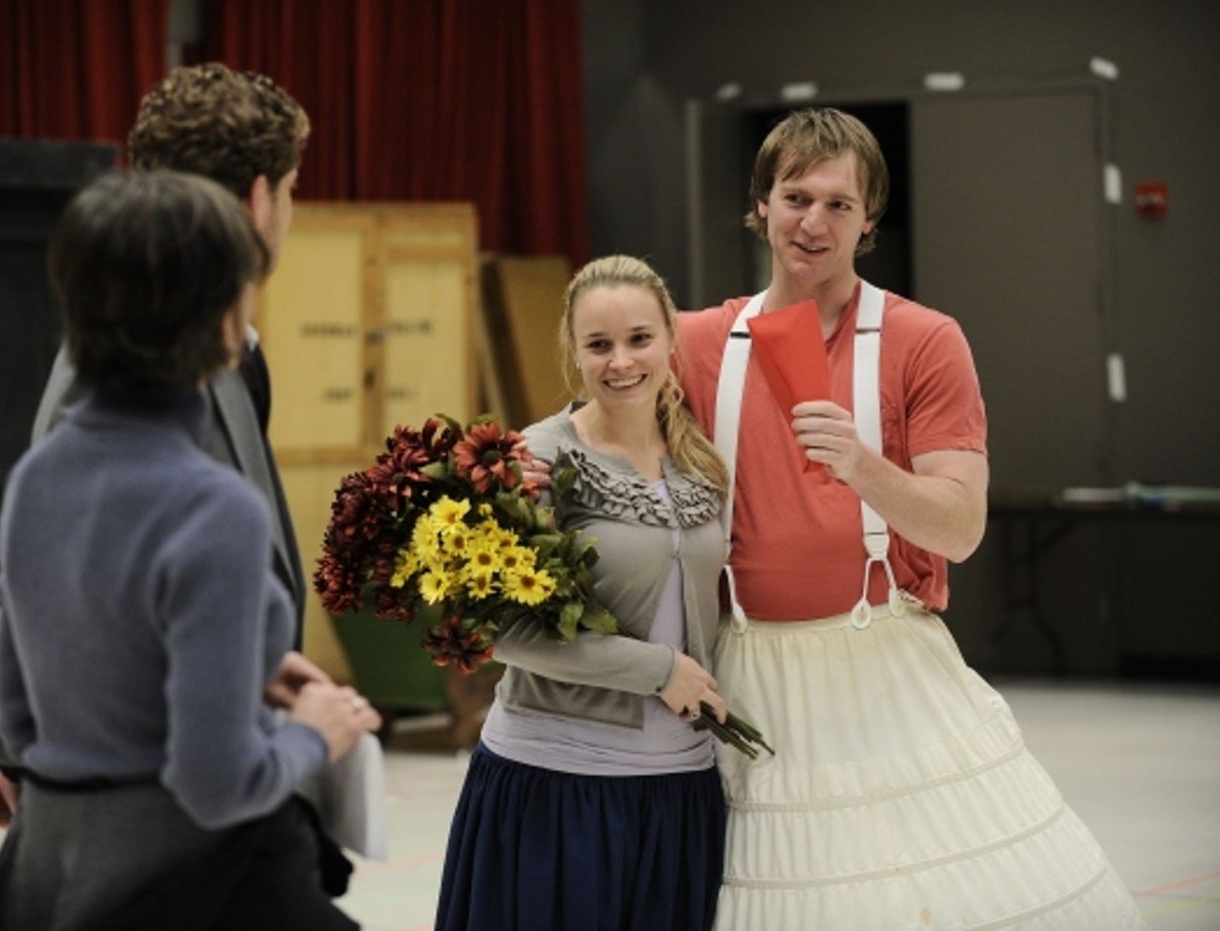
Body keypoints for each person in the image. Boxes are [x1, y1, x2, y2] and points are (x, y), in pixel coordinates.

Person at [672, 108, 1147, 928]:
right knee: (780, 892)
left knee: (930, 887)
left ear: (868, 223)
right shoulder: (696, 341)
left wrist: (862, 466)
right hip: (742, 669)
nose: (812, 222)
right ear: (760, 207)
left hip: (883, 661)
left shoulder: (923, 341)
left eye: (838, 204)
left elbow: (959, 527)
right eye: (794, 197)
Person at [0, 63, 359, 878]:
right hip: (167, 839)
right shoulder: (116, 382)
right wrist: (15, 752)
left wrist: (250, 650)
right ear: (257, 201)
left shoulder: (192, 344)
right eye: (295, 186)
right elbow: (38, 580)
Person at [436, 255, 731, 931]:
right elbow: (503, 629)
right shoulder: (537, 458)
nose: (621, 361)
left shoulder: (701, 459)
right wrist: (658, 670)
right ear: (573, 352)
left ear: (669, 340)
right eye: (598, 344)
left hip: (680, 788)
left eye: (638, 338)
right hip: (556, 789)